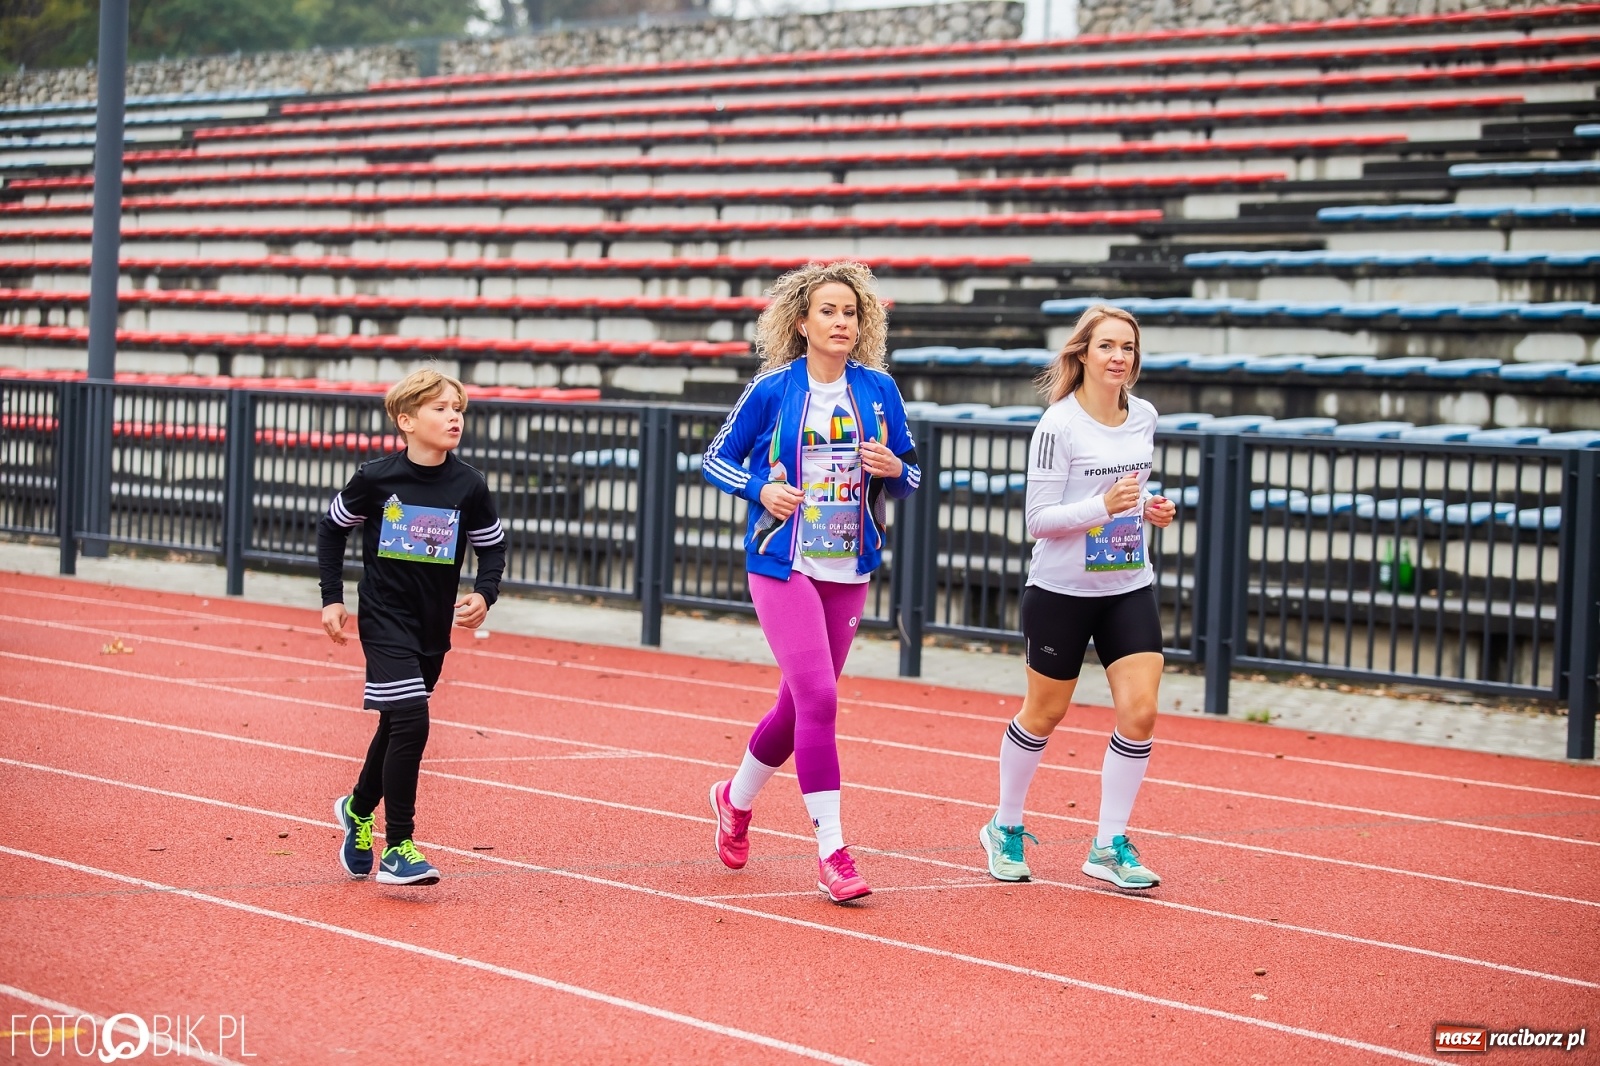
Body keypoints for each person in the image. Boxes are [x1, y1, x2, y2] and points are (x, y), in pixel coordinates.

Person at [701, 260, 921, 903]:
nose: (841, 322)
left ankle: (733, 799)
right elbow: (716, 457)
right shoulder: (774, 388)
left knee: (798, 704)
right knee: (821, 700)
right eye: (828, 311)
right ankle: (834, 852)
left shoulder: (880, 390)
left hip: (848, 565)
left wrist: (890, 469)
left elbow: (909, 475)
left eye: (850, 312)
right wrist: (760, 488)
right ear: (801, 322)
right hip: (782, 562)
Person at [978, 305, 1176, 889]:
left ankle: (1109, 843)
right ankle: (1005, 826)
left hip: (1126, 586)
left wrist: (1150, 508)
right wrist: (1103, 507)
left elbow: (1131, 493)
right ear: (1082, 354)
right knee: (1045, 714)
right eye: (1108, 346)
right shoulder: (1057, 426)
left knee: (1140, 713)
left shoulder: (1143, 416)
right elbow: (1037, 520)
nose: (1120, 358)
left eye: (1129, 349)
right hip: (1061, 591)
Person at [318, 368, 507, 886]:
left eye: (459, 409)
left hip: (432, 626)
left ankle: (357, 810)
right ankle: (399, 845)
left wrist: (484, 594)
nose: (454, 418)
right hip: (383, 618)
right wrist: (331, 599)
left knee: (396, 722)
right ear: (406, 420)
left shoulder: (468, 485)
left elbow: (492, 547)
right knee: (414, 721)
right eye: (441, 408)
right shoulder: (376, 479)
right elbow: (331, 529)